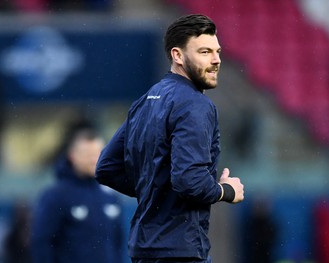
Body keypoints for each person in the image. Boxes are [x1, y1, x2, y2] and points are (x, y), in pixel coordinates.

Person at [95, 14, 245, 263]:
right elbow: (189, 180)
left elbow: (106, 168)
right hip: (180, 251)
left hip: (144, 249)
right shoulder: (194, 104)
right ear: (177, 56)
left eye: (217, 51)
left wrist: (156, 190)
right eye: (205, 52)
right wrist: (225, 191)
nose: (216, 60)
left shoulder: (145, 101)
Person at [31, 128, 126, 263]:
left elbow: (118, 244)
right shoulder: (55, 196)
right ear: (72, 156)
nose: (94, 159)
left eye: (98, 153)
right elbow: (41, 242)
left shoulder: (110, 196)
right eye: (88, 154)